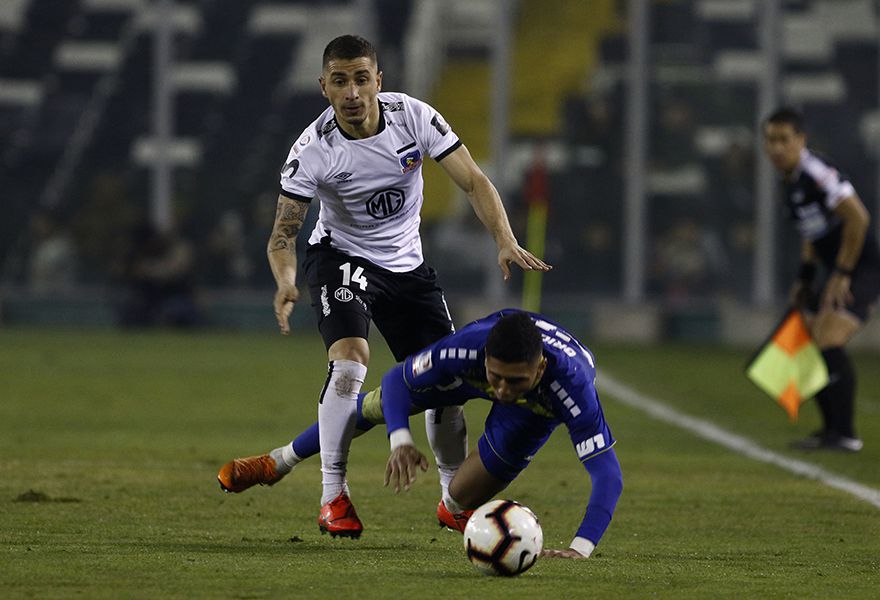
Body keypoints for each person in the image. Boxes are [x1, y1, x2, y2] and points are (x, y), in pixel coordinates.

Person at [222, 35, 550, 537]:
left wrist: (504, 240)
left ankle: (452, 497)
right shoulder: (312, 150)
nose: (351, 92)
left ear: (378, 81)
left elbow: (474, 181)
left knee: (446, 386)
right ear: (324, 87)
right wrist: (286, 282)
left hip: (408, 268)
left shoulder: (414, 117)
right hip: (342, 259)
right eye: (339, 81)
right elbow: (283, 234)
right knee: (351, 357)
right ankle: (334, 496)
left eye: (360, 79)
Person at [219, 310, 623, 558]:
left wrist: (579, 549)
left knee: (458, 500)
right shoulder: (465, 351)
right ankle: (279, 461)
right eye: (496, 377)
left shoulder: (570, 390)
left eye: (513, 381)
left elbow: (607, 474)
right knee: (376, 405)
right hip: (477, 376)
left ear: (537, 372)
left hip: (531, 414)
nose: (501, 390)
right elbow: (398, 381)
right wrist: (401, 440)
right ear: (486, 360)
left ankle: (456, 511)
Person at [763, 107, 880, 452]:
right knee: (808, 337)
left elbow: (858, 218)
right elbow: (811, 232)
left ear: (801, 140)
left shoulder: (816, 173)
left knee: (828, 335)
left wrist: (843, 273)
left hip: (863, 267)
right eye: (771, 140)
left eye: (784, 139)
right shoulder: (790, 180)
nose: (777, 147)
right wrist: (806, 276)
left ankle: (845, 434)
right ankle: (832, 431)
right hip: (835, 268)